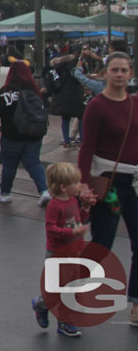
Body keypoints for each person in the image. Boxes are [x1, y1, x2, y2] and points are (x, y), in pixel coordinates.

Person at [77, 51, 138, 327]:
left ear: (131, 74)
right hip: (109, 186)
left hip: (134, 185)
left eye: (124, 70)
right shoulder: (97, 106)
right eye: (114, 70)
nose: (119, 75)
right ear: (104, 74)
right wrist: (83, 185)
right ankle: (70, 293)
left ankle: (136, 304)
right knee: (103, 246)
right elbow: (86, 148)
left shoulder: (136, 104)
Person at [30, 162, 91, 338]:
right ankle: (48, 309)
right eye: (77, 183)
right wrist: (72, 232)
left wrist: (86, 209)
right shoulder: (55, 205)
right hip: (57, 253)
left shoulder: (73, 201)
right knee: (57, 289)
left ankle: (63, 319)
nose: (80, 185)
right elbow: (51, 229)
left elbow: (79, 219)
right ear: (64, 187)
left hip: (74, 251)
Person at [0, 61, 50, 204]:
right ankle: (44, 191)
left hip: (11, 136)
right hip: (34, 135)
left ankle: (5, 193)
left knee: (9, 165)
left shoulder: (4, 93)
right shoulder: (34, 92)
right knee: (33, 163)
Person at [46, 49, 87, 148]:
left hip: (61, 96)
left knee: (65, 119)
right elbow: (81, 76)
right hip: (76, 94)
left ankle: (66, 141)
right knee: (81, 116)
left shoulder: (56, 67)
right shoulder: (75, 64)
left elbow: (51, 83)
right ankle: (81, 139)